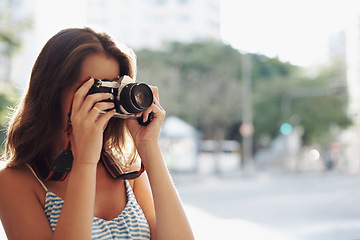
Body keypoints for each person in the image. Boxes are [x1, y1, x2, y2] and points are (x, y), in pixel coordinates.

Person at [0, 27, 194, 240]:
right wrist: (85, 161)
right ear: (51, 92)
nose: (104, 102)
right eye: (95, 89)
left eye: (113, 88)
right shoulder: (16, 181)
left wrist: (148, 146)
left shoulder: (126, 172)